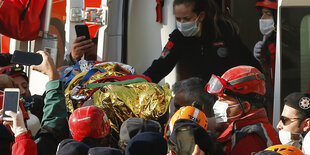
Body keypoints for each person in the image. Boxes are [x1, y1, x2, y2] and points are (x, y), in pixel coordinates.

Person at [143, 0, 260, 83]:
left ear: (201, 16)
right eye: (178, 19)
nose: (182, 23)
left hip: (227, 89)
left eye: (187, 18)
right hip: (200, 91)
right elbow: (161, 65)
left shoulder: (222, 31)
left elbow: (244, 62)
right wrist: (144, 80)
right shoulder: (178, 37)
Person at [205, 65, 280, 154]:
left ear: (245, 107)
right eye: (218, 99)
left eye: (223, 100)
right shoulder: (240, 130)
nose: (216, 105)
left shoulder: (249, 139)